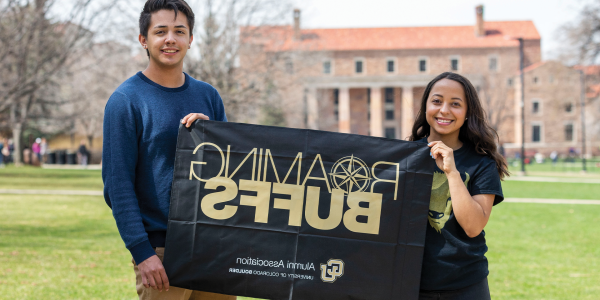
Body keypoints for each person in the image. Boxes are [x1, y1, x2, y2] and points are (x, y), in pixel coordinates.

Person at [102, 1, 232, 299]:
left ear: (190, 39)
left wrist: (212, 135)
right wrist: (142, 252)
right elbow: (118, 186)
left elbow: (232, 170)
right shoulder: (125, 101)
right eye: (160, 31)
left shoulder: (208, 95)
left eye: (179, 31)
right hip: (161, 253)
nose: (170, 39)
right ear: (144, 40)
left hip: (214, 247)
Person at [409, 72, 507, 299]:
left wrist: (452, 172)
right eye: (437, 101)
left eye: (455, 104)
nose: (444, 110)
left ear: (467, 113)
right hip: (410, 282)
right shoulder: (405, 156)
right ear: (425, 107)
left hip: (465, 284)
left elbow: (473, 227)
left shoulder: (482, 162)